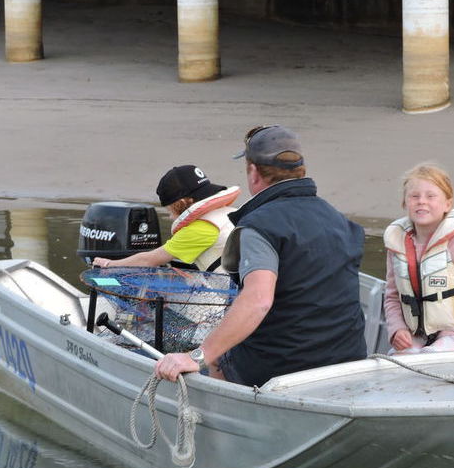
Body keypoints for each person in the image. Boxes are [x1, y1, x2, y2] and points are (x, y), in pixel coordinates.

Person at [154, 125, 367, 386]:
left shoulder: (259, 226)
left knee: (220, 355)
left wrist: (199, 355)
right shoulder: (339, 220)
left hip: (281, 367)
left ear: (254, 172)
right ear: (300, 169)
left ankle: (222, 419)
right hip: (349, 362)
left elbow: (258, 300)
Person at [383, 162, 454, 353]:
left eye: (431, 196)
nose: (421, 201)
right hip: (416, 335)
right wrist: (397, 329)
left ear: (447, 204)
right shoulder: (396, 245)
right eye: (414, 196)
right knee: (393, 361)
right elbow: (392, 297)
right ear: (405, 203)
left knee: (429, 359)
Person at [92, 165, 240, 273]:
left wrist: (109, 264)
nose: (170, 217)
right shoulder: (230, 214)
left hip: (236, 296)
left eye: (170, 210)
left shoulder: (200, 228)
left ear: (182, 203)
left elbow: (149, 260)